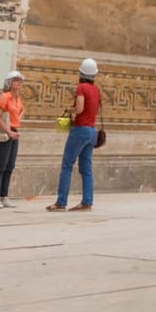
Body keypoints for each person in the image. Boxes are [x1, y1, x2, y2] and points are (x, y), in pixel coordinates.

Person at [48, 57, 100, 212]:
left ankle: (61, 202)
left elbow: (80, 109)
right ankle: (87, 202)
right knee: (86, 169)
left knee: (67, 166)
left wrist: (70, 109)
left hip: (80, 130)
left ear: (81, 72)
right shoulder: (96, 90)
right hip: (92, 131)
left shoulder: (81, 88)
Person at [0, 70, 26, 208]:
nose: (19, 83)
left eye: (20, 80)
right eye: (16, 80)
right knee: (1, 165)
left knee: (10, 165)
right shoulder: (4, 97)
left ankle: (4, 196)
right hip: (5, 132)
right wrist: (8, 131)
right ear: (9, 83)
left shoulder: (17, 99)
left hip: (14, 131)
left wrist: (16, 125)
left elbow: (21, 110)